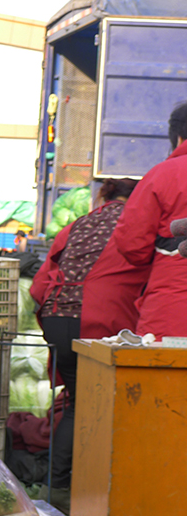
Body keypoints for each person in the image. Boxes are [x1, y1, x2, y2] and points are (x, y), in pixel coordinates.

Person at [29, 177, 147, 512]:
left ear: (104, 197)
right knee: (103, 406)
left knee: (77, 403)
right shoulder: (137, 225)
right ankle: (79, 488)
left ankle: (60, 486)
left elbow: (39, 285)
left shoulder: (77, 225)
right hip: (101, 320)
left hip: (57, 317)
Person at [112, 101, 187, 339]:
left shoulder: (164, 174)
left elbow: (132, 242)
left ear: (178, 137)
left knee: (167, 360)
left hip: (174, 302)